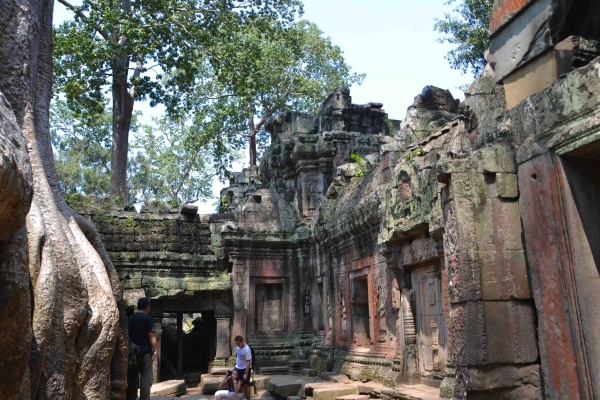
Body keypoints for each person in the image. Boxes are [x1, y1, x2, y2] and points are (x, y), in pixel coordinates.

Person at [126, 298, 158, 400]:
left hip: (132, 353)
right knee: (145, 378)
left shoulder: (130, 318)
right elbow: (151, 335)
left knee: (132, 378)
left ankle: (131, 398)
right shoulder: (147, 318)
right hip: (145, 353)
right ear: (147, 307)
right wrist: (155, 349)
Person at [234, 335, 253, 400]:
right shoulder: (238, 347)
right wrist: (235, 364)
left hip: (245, 368)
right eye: (237, 343)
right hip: (238, 367)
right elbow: (237, 356)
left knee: (245, 384)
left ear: (242, 341)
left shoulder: (247, 350)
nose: (238, 345)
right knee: (234, 381)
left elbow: (248, 362)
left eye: (239, 343)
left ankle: (248, 399)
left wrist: (246, 373)